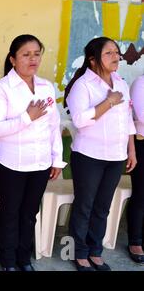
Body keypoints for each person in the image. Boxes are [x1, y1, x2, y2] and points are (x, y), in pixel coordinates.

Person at [0, 34, 66, 271]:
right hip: (11, 165)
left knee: (30, 213)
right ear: (13, 59)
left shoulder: (46, 86)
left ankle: (24, 258)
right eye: (26, 54)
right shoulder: (2, 88)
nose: (33, 59)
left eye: (37, 54)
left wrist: (57, 159)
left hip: (40, 163)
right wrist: (26, 118)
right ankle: (8, 260)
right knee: (10, 214)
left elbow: (54, 126)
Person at [65, 37, 137, 271]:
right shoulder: (83, 86)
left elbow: (128, 120)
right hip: (89, 156)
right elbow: (79, 120)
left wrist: (131, 150)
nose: (116, 57)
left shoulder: (121, 83)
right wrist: (107, 103)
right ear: (93, 59)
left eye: (117, 52)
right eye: (109, 53)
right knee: (85, 205)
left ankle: (95, 251)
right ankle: (79, 253)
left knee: (102, 207)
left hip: (116, 156)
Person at [128, 74, 144, 264]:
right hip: (141, 143)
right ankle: (135, 240)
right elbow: (141, 115)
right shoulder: (141, 83)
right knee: (141, 194)